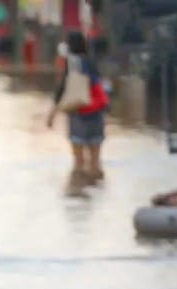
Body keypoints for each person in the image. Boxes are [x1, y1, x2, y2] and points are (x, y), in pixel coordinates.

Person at [46, 31, 109, 182]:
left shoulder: (72, 62)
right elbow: (101, 87)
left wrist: (52, 115)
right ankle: (96, 194)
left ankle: (79, 193)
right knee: (95, 162)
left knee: (78, 163)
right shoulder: (92, 62)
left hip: (78, 115)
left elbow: (62, 89)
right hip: (96, 115)